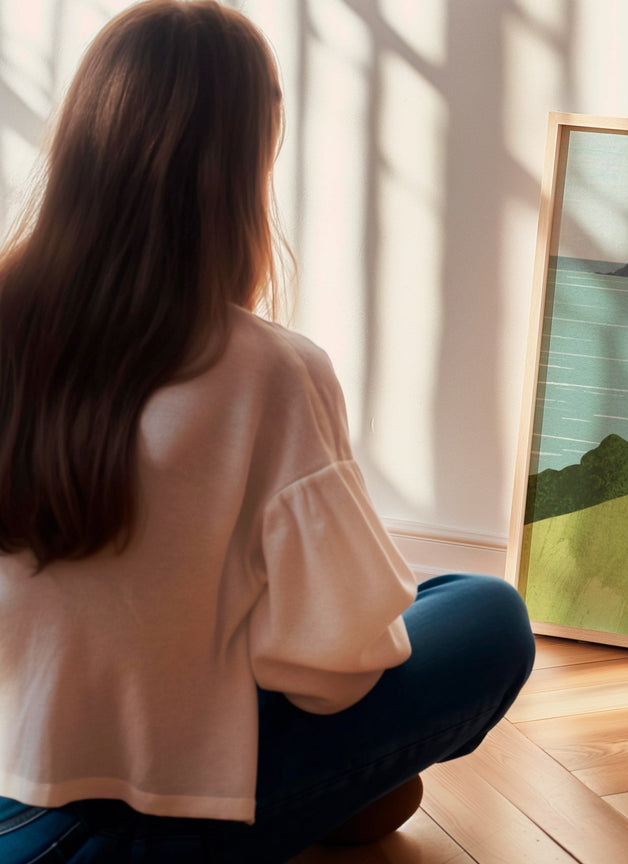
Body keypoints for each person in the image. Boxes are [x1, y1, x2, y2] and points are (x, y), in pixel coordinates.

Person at [0, 1, 535, 861]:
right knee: (483, 614)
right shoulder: (270, 372)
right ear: (245, 163)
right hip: (139, 832)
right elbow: (332, 678)